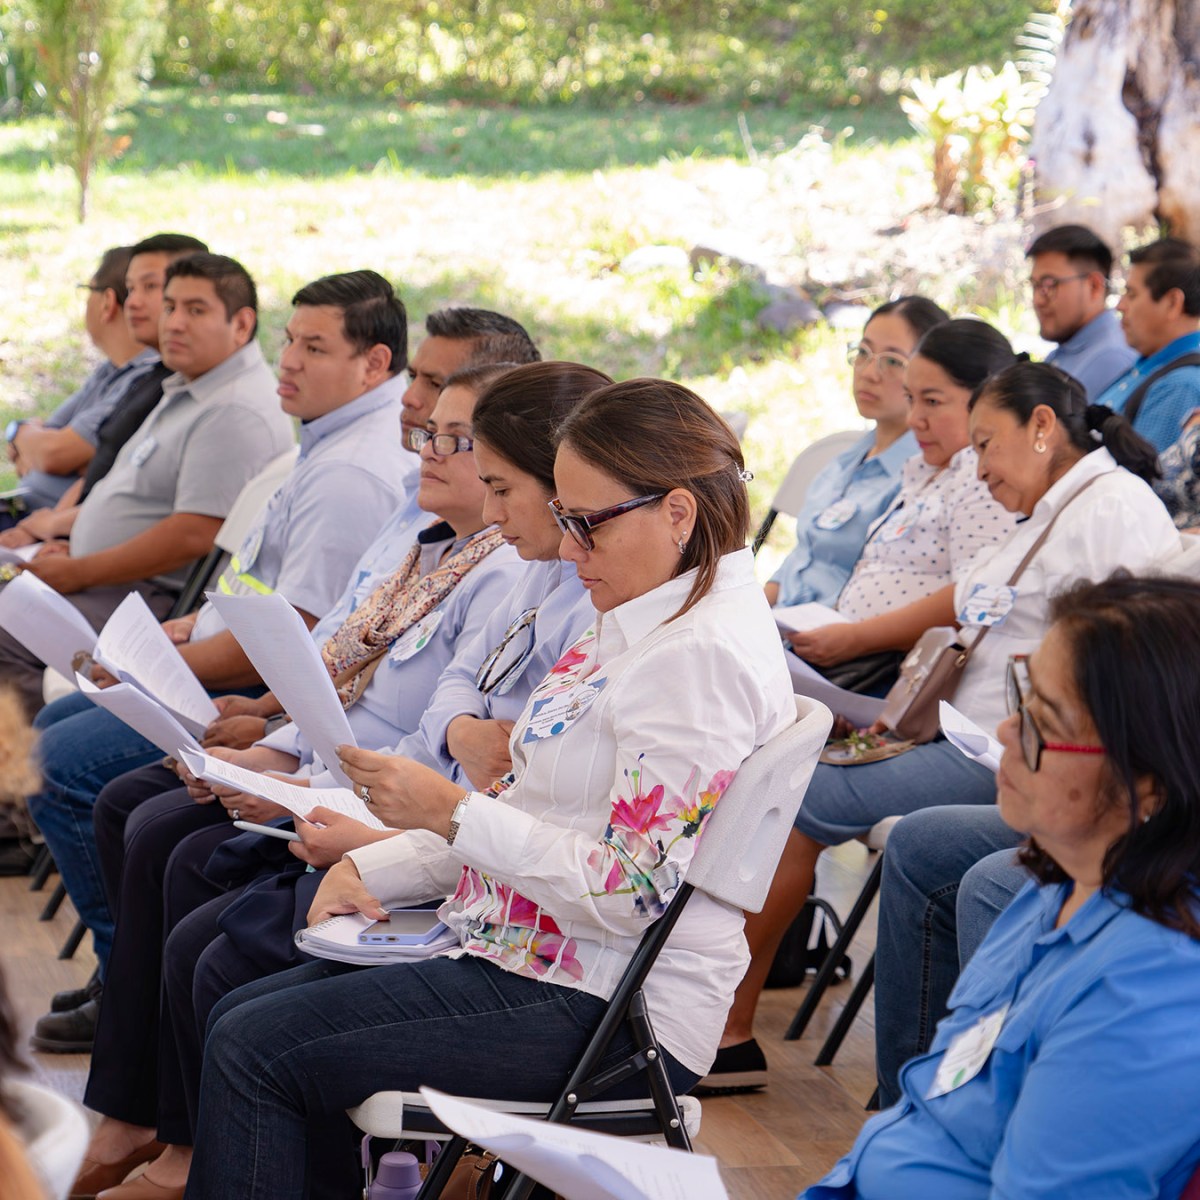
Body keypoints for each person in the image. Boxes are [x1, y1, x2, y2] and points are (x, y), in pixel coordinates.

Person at [176, 378, 793, 1199]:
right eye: (565, 518)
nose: (570, 549)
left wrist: (449, 811)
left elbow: (633, 888)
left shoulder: (696, 660)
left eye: (587, 524)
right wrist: (381, 866)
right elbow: (537, 805)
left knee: (257, 1044)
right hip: (542, 958)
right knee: (242, 1019)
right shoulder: (650, 616)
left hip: (606, 1003)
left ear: (677, 512)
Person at [75, 361, 607, 1199]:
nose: (494, 512)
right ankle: (160, 1136)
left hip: (524, 931)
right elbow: (450, 715)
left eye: (475, 457)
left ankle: (188, 1154)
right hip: (439, 846)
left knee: (229, 980)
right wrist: (371, 798)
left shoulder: (591, 596)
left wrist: (386, 841)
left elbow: (563, 831)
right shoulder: (532, 563)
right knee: (172, 868)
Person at [704, 361, 1181, 1092]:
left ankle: (723, 1031)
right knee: (825, 793)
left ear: (1043, 427)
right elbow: (978, 601)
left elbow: (1127, 674)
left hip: (1023, 749)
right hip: (978, 734)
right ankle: (902, 1097)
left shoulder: (1111, 510)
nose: (978, 467)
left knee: (802, 792)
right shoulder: (1052, 508)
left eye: (987, 444)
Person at [26, 269, 415, 1050]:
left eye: (314, 347)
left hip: (273, 705)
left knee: (66, 759)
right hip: (256, 692)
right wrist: (176, 636)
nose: (291, 362)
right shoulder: (329, 438)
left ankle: (122, 981)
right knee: (73, 732)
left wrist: (181, 675)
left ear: (374, 364)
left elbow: (294, 635)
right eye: (290, 342)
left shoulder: (351, 469)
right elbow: (258, 589)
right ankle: (127, 977)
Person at [803, 574, 1200, 1199]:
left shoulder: (1144, 991)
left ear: (1149, 780)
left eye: (1044, 719)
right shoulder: (1055, 892)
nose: (1008, 732)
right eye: (1023, 698)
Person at [0, 252, 295, 715]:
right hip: (104, 574)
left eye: (195, 311)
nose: (173, 322)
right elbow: (130, 488)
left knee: (5, 624)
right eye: (171, 306)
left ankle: (27, 767)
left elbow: (191, 534)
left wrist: (81, 570)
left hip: (144, 598)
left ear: (241, 324)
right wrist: (71, 540)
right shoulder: (193, 383)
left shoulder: (233, 410)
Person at [784, 319, 1017, 687]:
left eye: (932, 402)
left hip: (888, 675)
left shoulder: (983, 476)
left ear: (987, 401)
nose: (915, 420)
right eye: (911, 399)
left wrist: (856, 639)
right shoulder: (929, 470)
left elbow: (972, 596)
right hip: (850, 667)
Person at [0, 233, 208, 552]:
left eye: (150, 288)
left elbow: (57, 455)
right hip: (46, 527)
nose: (134, 302)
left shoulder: (178, 387)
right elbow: (86, 462)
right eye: (133, 288)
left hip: (74, 543)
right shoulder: (145, 376)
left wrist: (53, 531)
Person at [768, 297, 948, 609]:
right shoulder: (846, 457)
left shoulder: (921, 480)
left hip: (827, 640)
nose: (868, 373)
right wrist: (748, 617)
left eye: (892, 361)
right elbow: (801, 558)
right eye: (863, 353)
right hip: (778, 626)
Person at [4, 246, 159, 517]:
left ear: (107, 302)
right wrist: (19, 431)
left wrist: (29, 439)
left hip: (54, 531)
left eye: (88, 290)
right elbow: (48, 435)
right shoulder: (110, 369)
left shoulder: (145, 379)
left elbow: (52, 454)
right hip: (31, 521)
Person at [1096, 237, 1200, 452]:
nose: (1120, 306)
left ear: (1172, 303)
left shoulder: (1179, 386)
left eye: (1132, 294)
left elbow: (1141, 481)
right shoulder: (1148, 366)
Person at [1025, 224, 1135, 398]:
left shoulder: (1110, 359)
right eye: (1035, 285)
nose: (1038, 300)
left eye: (1049, 285)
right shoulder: (1067, 350)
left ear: (1094, 286)